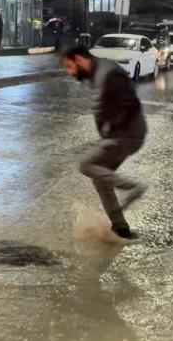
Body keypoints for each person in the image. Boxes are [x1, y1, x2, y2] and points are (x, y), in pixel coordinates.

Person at [60, 45, 147, 240]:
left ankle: (131, 187)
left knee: (86, 165)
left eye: (70, 66)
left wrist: (113, 130)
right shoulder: (97, 73)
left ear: (79, 59)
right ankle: (121, 229)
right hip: (121, 134)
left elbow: (131, 104)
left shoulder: (108, 75)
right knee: (100, 176)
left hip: (126, 135)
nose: (69, 72)